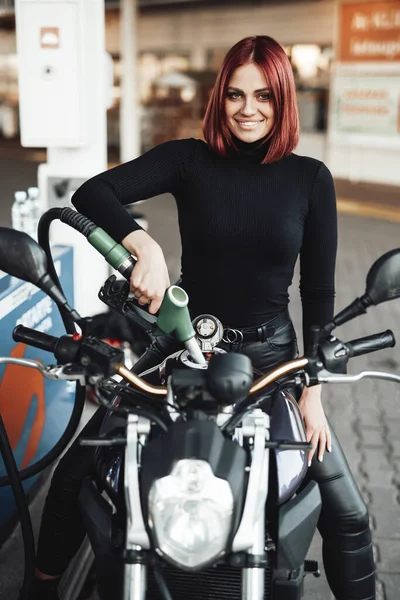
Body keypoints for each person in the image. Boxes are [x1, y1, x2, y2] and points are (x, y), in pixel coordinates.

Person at [33, 36, 375, 600]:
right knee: (76, 474)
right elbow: (94, 192)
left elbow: (317, 292)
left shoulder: (310, 178)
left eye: (264, 95)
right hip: (182, 346)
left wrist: (313, 388)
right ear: (220, 97)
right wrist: (144, 246)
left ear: (283, 99)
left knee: (347, 507)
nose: (248, 109)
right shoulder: (189, 160)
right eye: (236, 94)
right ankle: (38, 586)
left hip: (271, 359)